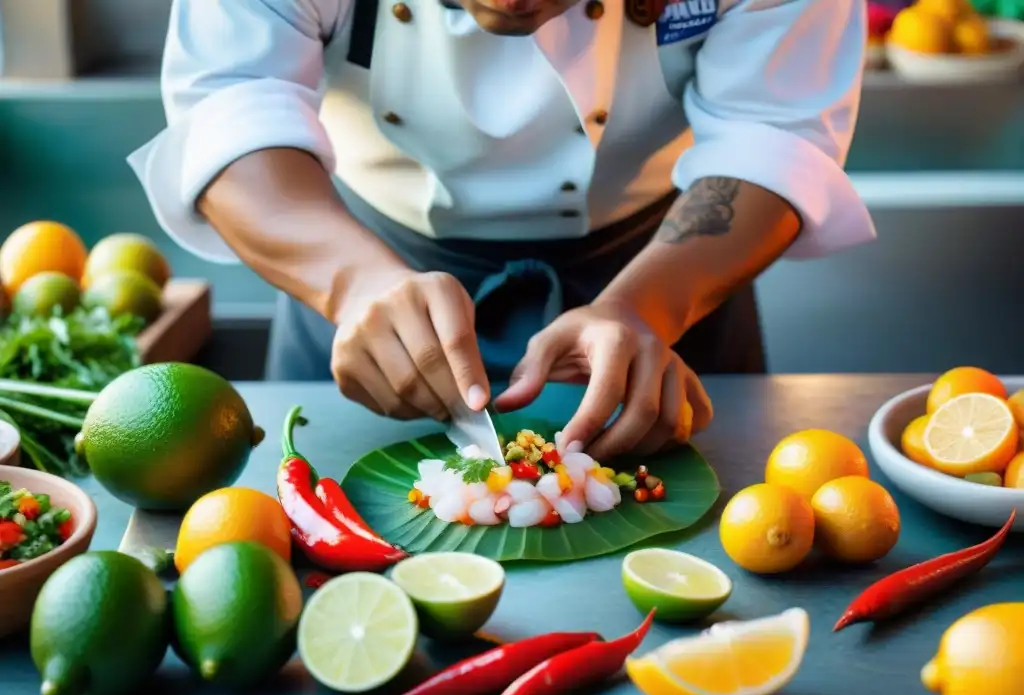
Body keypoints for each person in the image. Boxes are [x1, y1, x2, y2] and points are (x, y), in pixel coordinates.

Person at [129, 0, 875, 462]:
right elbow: (230, 102)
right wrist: (355, 283)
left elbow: (773, 132)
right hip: (358, 265)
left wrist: (642, 310)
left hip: (666, 276)